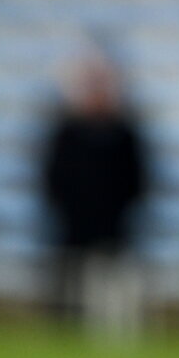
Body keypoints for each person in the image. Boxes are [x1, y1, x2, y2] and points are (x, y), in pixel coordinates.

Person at [39, 40, 150, 340]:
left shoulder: (124, 131)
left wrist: (125, 210)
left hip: (114, 225)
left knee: (114, 284)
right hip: (74, 224)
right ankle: (65, 331)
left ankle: (116, 334)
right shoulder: (67, 130)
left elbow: (138, 178)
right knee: (69, 281)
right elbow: (53, 176)